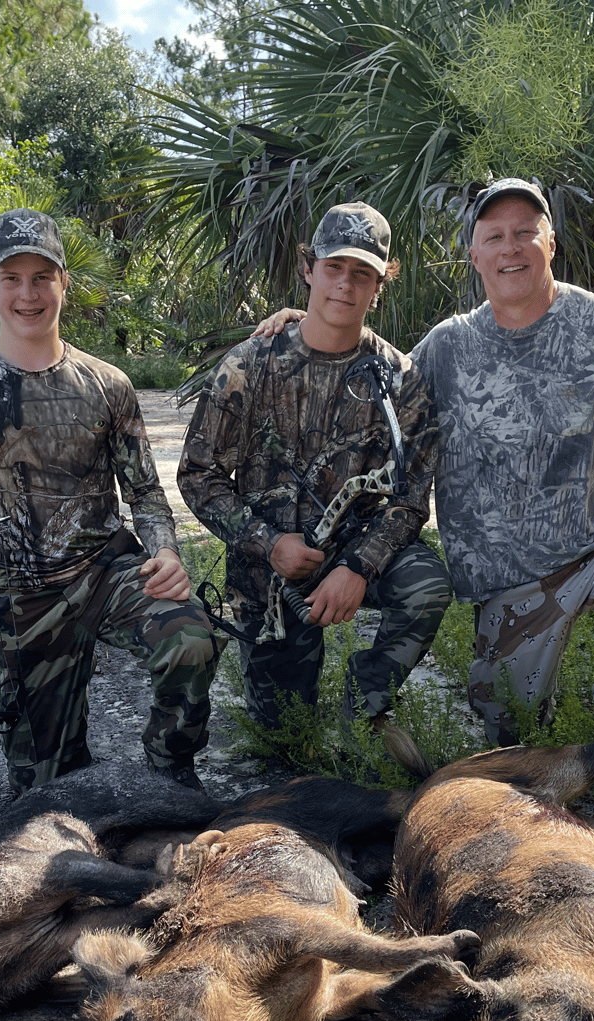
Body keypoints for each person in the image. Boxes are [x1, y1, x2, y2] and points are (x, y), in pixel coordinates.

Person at [257, 179, 594, 744]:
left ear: (550, 243)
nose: (511, 248)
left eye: (525, 233)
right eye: (495, 236)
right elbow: (377, 394)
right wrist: (310, 326)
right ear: (474, 256)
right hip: (510, 578)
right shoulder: (447, 348)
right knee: (510, 732)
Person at [0, 208, 221, 793]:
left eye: (42, 278)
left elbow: (145, 492)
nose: (27, 295)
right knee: (44, 789)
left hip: (107, 574)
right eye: (12, 278)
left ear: (63, 283)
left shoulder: (107, 383)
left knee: (189, 638)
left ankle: (172, 775)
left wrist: (166, 553)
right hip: (22, 594)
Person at [178, 201, 451, 733]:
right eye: (334, 267)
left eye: (362, 273)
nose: (345, 285)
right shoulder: (249, 364)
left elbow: (410, 498)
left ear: (379, 286)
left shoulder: (401, 379)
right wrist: (267, 542)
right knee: (284, 733)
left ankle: (365, 702)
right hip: (270, 572)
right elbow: (198, 476)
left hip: (353, 551)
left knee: (426, 587)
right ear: (308, 270)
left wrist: (358, 566)